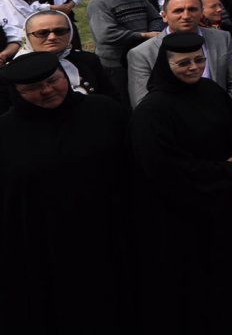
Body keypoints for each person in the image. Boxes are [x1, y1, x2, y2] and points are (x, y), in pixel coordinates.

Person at [0, 52, 133, 333]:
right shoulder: (6, 133)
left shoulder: (104, 112)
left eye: (53, 80)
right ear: (16, 92)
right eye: (33, 88)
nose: (47, 91)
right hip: (43, 248)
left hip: (109, 237)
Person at [129, 31, 232, 334]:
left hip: (221, 197)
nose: (194, 67)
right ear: (166, 65)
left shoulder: (210, 90)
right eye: (183, 63)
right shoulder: (152, 110)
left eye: (199, 60)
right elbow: (161, 166)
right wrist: (222, 171)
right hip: (182, 207)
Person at [127, 0, 232, 108]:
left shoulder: (222, 38)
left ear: (201, 13)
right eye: (178, 11)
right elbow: (141, 102)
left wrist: (222, 109)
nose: (186, 16)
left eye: (192, 9)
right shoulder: (142, 53)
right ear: (164, 16)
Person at [88, 0, 163, 107]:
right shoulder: (99, 3)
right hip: (116, 64)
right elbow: (106, 35)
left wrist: (155, 31)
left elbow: (155, 17)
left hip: (141, 58)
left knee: (144, 98)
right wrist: (144, 35)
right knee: (122, 102)